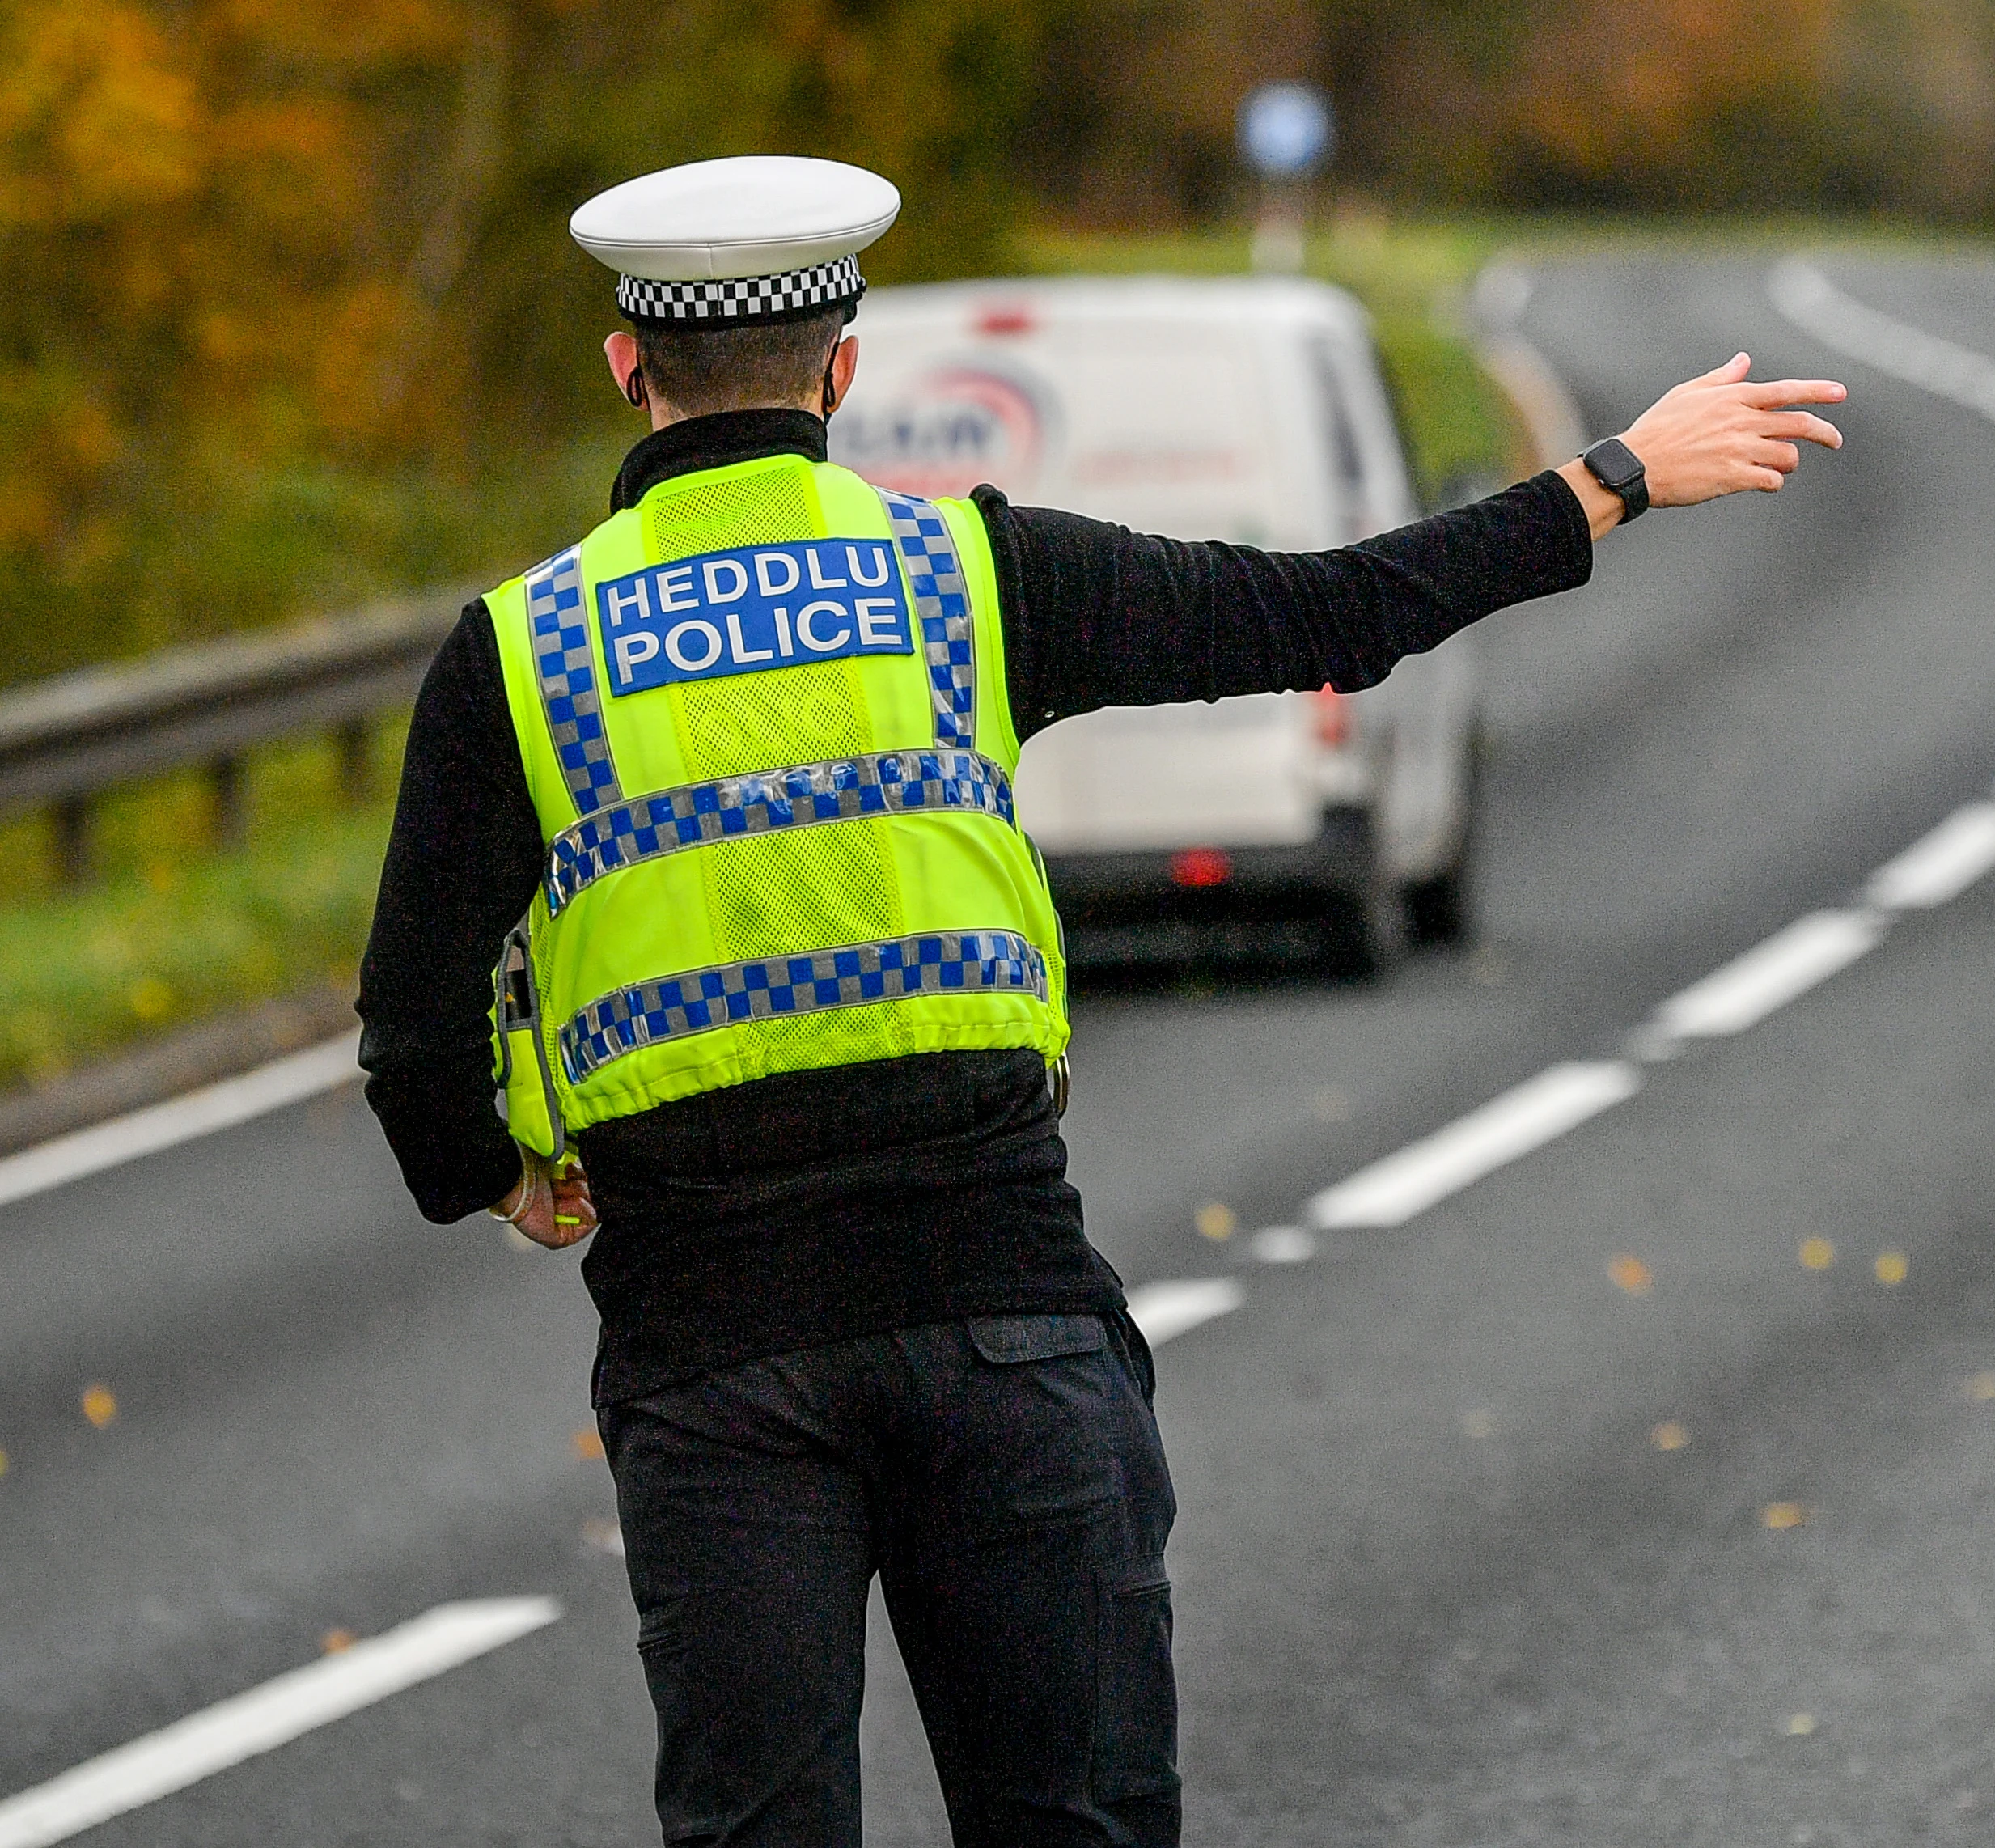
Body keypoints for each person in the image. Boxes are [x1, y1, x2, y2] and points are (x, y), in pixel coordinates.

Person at [354, 154, 1847, 1847]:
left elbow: (412, 1035)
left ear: (627, 366)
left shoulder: (521, 650)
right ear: (843, 368)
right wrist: (1609, 477)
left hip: (715, 1355)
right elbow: (1327, 614)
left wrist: (507, 1173)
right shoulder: (973, 581)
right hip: (1004, 1316)